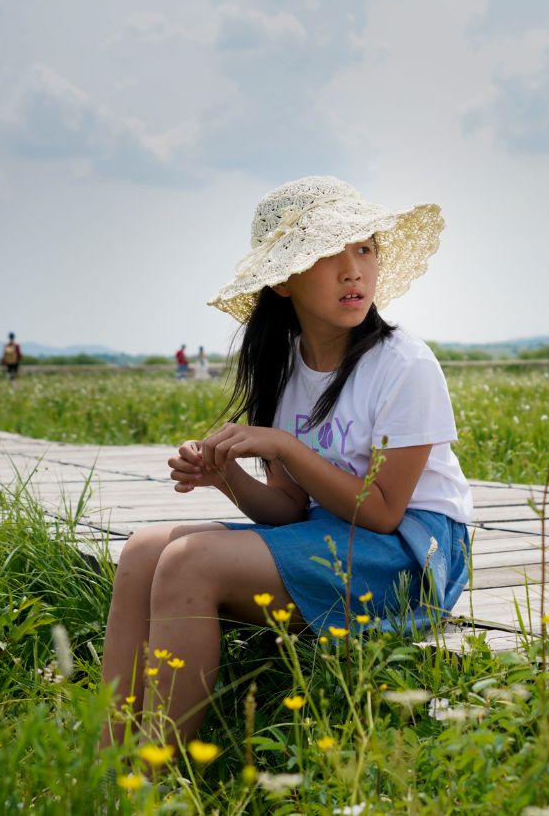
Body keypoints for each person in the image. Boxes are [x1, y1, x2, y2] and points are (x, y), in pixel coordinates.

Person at [98, 176, 472, 748]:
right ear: (282, 282)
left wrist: (286, 447)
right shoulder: (285, 368)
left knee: (191, 563)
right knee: (145, 549)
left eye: (364, 248)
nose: (354, 270)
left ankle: (150, 779)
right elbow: (290, 511)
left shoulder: (405, 366)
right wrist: (226, 478)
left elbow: (383, 514)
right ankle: (107, 763)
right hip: (332, 534)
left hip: (412, 555)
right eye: (328, 253)